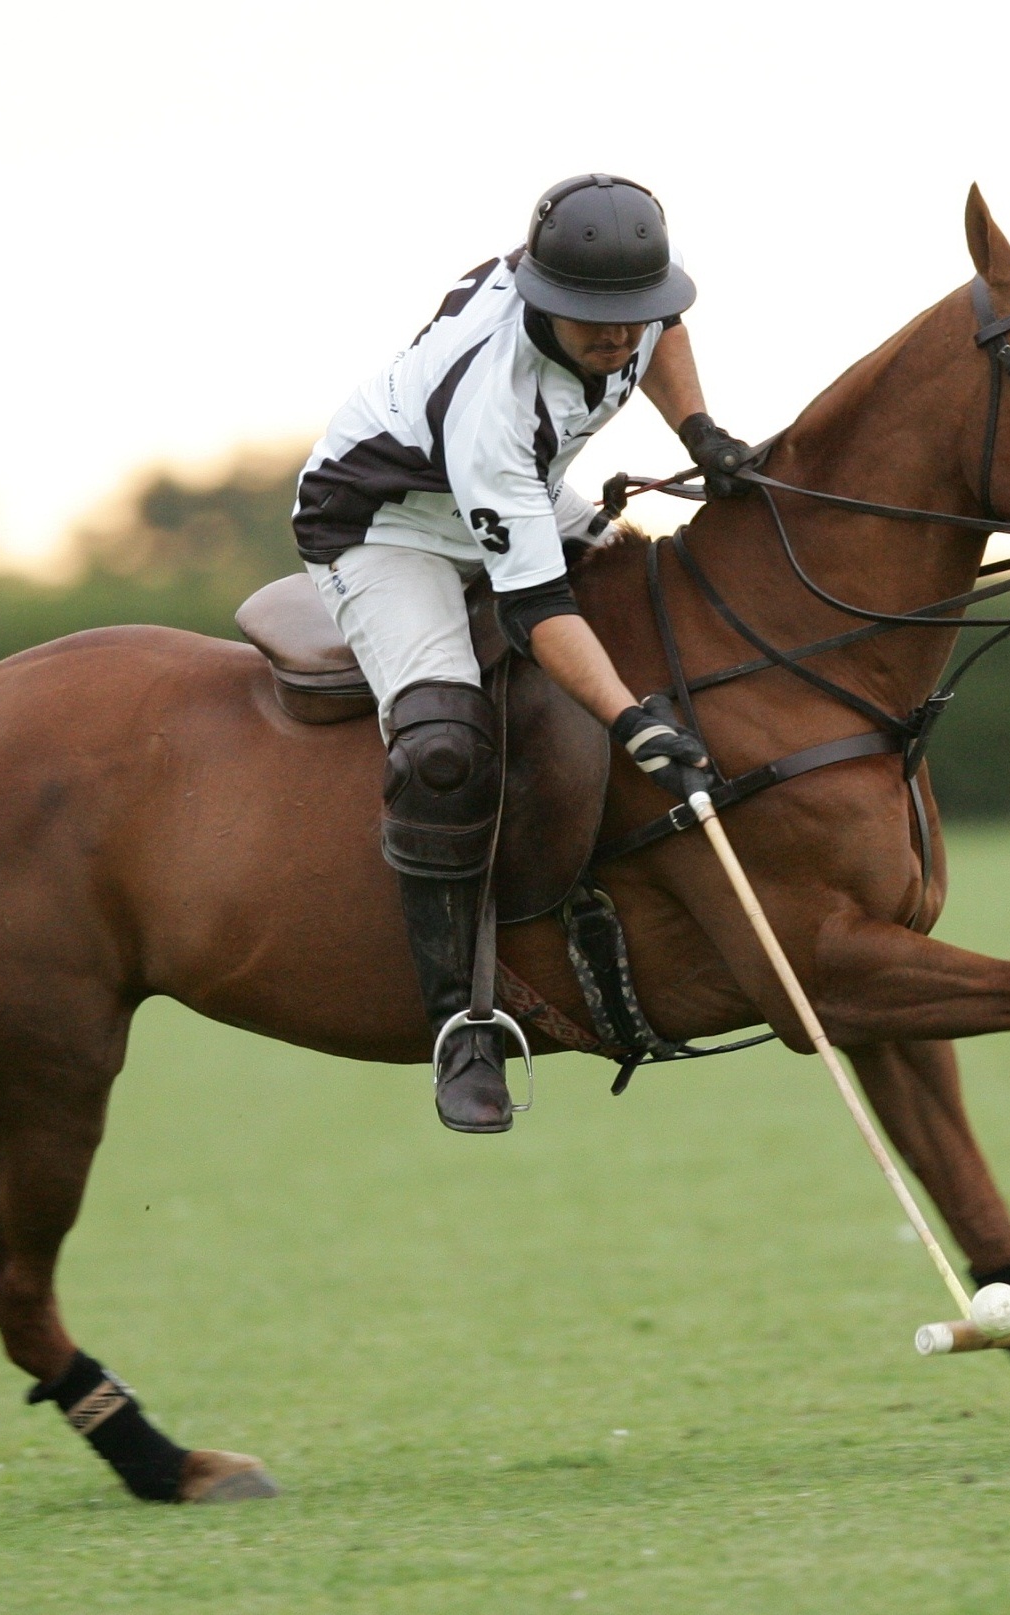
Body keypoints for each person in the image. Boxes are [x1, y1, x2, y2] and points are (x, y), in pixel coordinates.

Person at [291, 173, 751, 1135]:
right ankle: (462, 1027)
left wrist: (700, 432)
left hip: (528, 489)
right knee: (443, 744)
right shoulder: (491, 403)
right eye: (596, 324)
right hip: (388, 525)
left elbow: (665, 329)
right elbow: (536, 607)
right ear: (545, 297)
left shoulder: (621, 292)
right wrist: (630, 723)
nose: (619, 339)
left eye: (633, 317)